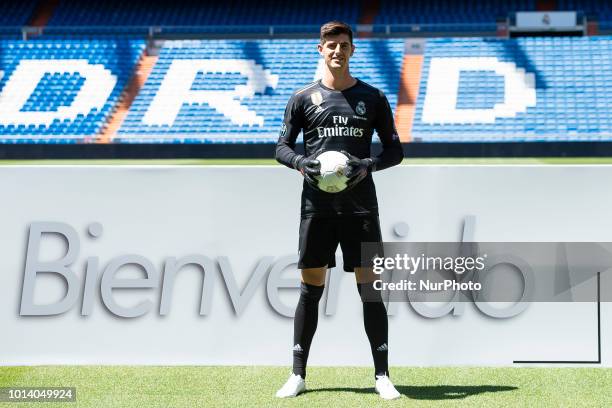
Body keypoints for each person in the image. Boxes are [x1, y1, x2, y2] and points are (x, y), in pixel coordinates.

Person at [274, 21, 404, 400]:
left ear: (352, 50)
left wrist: (369, 165)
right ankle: (298, 375)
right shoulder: (302, 99)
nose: (337, 51)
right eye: (331, 45)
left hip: (361, 208)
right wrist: (301, 163)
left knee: (371, 291)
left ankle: (382, 375)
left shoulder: (373, 97)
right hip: (317, 207)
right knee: (310, 289)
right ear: (320, 49)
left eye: (343, 45)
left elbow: (395, 150)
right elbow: (281, 147)